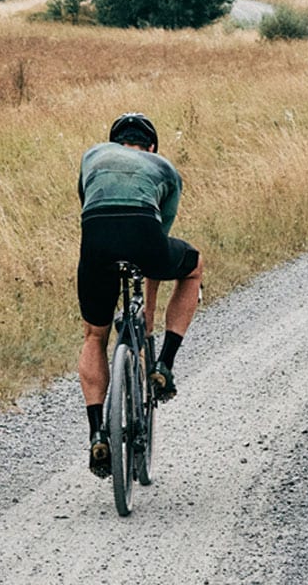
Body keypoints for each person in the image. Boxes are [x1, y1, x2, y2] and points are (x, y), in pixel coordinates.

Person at [76, 113, 203, 478]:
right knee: (193, 267)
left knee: (94, 336)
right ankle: (164, 363)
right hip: (144, 233)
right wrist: (147, 312)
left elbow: (89, 206)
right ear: (151, 148)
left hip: (96, 240)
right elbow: (157, 244)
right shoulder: (163, 168)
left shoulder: (93, 156)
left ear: (115, 144)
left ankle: (98, 431)